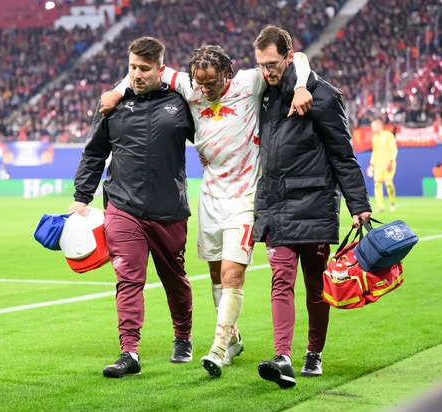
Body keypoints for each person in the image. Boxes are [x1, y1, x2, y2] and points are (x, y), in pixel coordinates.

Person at [100, 44, 313, 378]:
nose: (206, 90)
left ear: (225, 74)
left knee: (232, 273)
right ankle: (233, 337)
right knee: (216, 275)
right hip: (211, 197)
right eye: (200, 83)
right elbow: (144, 71)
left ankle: (218, 348)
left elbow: (296, 58)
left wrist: (300, 85)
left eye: (212, 82)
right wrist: (116, 90)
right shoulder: (189, 85)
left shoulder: (249, 82)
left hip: (246, 196)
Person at [252, 25, 372, 388]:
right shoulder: (264, 95)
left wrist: (358, 204)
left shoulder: (322, 95)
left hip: (315, 204)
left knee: (316, 285)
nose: (266, 71)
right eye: (260, 64)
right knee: (280, 280)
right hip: (276, 205)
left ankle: (314, 353)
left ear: (289, 58)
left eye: (272, 64)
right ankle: (283, 357)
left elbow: (342, 155)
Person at [68, 36, 196, 378]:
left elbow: (211, 140)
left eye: (144, 68)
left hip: (170, 209)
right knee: (128, 279)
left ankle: (183, 336)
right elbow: (94, 153)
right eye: (132, 68)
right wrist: (82, 197)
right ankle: (129, 352)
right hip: (123, 207)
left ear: (160, 69)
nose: (137, 74)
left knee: (174, 279)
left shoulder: (180, 103)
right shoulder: (113, 105)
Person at [366, 119, 398, 212]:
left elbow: (394, 149)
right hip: (378, 165)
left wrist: (391, 161)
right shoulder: (374, 138)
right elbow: (374, 152)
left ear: (379, 126)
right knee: (377, 185)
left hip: (388, 163)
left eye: (373, 126)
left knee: (388, 183)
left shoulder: (388, 135)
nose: (372, 128)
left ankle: (392, 202)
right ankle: (380, 207)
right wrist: (371, 165)